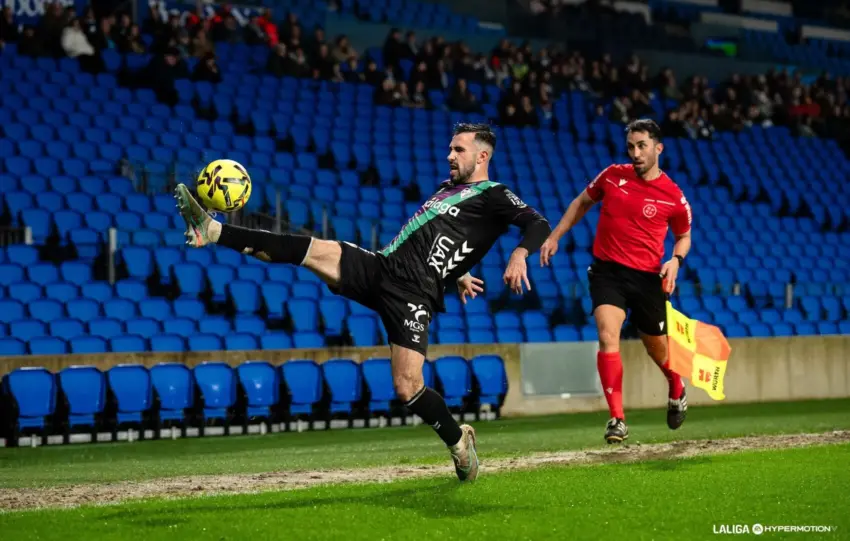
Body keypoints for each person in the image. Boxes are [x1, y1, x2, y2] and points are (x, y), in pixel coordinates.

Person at [175, 123, 551, 481]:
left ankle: (458, 441)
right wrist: (459, 272)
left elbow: (537, 224)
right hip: (381, 268)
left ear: (482, 156)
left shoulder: (495, 195)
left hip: (412, 295)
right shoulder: (445, 189)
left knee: (407, 387)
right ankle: (213, 230)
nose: (449, 155)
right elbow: (448, 242)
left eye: (458, 149)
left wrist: (519, 255)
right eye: (450, 148)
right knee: (308, 249)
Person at [539, 119, 693, 444]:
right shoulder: (612, 175)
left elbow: (683, 235)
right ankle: (617, 419)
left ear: (658, 148)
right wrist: (555, 236)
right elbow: (582, 202)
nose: (635, 153)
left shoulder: (673, 196)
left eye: (642, 146)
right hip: (608, 272)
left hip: (648, 279)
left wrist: (675, 261)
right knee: (608, 336)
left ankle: (676, 386)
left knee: (657, 350)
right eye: (631, 147)